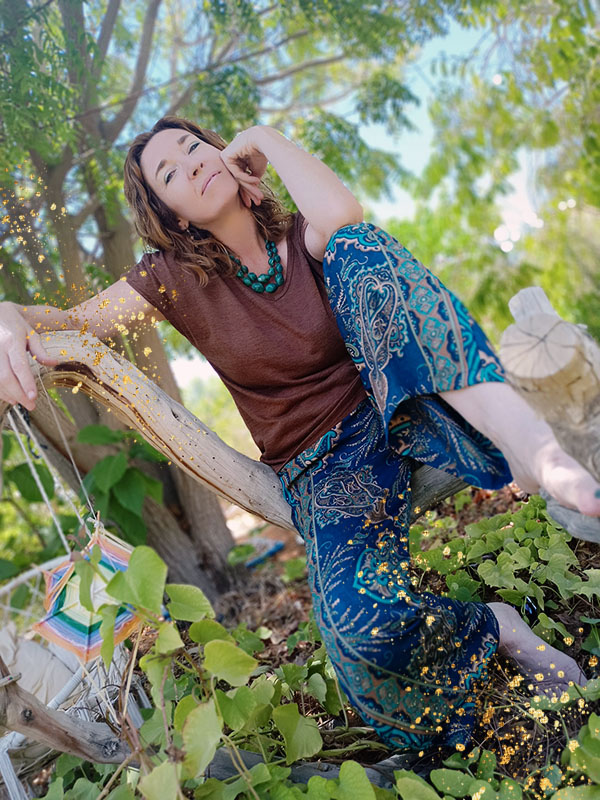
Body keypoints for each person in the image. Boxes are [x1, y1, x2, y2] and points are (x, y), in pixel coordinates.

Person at [0, 119, 599, 754]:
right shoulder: (173, 277)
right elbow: (67, 322)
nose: (192, 164)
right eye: (170, 173)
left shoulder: (304, 232)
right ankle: (493, 628)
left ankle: (535, 447)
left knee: (356, 247)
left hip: (397, 404)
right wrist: (9, 316)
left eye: (194, 146)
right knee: (361, 634)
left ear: (228, 154)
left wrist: (266, 137)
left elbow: (344, 213)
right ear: (169, 213)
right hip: (325, 468)